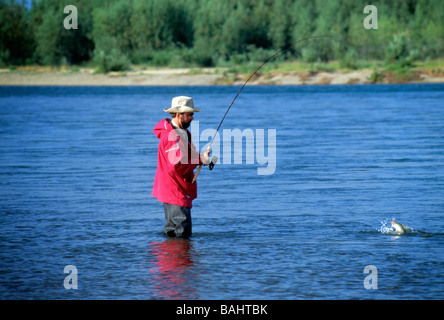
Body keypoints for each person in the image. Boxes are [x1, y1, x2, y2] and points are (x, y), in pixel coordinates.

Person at [152, 96, 210, 238]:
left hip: (170, 191)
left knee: (171, 234)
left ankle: (171, 260)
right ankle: (181, 260)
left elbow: (183, 157)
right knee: (182, 236)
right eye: (189, 115)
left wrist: (200, 158)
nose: (192, 118)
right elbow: (175, 166)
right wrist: (199, 159)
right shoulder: (173, 136)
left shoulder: (179, 133)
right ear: (179, 114)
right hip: (176, 192)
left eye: (192, 114)